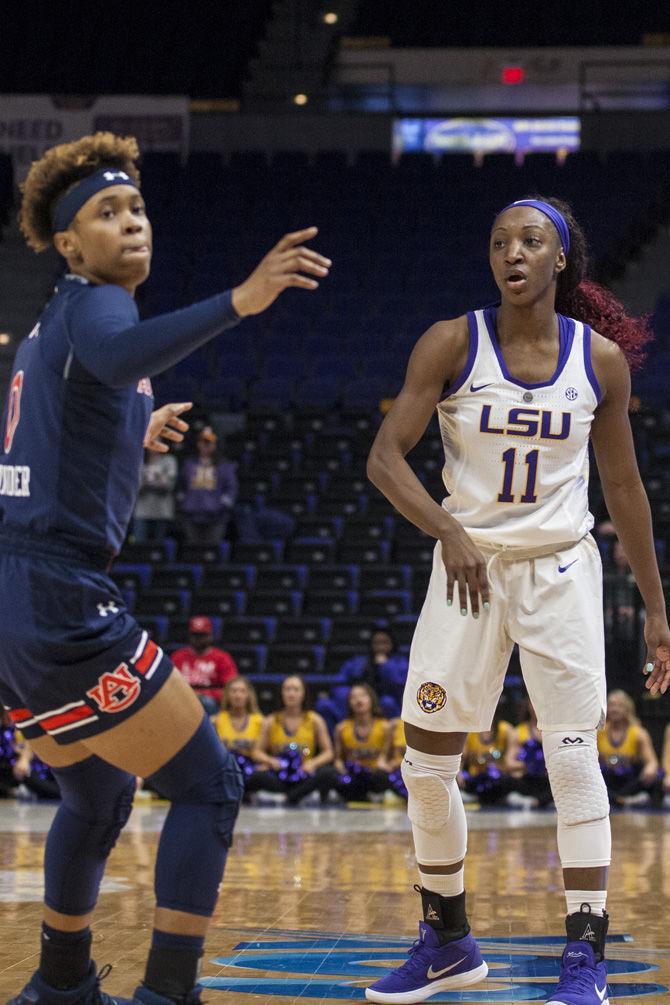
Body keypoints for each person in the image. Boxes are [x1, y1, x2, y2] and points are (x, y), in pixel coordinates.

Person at [0, 131, 331, 1005]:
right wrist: (243, 300)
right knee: (210, 783)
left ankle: (61, 984)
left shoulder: (49, 326)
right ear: (69, 243)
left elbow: (60, 423)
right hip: (60, 594)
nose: (131, 222)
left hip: (14, 595)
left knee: (98, 790)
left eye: (136, 206)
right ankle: (168, 994)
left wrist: (130, 433)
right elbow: (115, 355)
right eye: (105, 212)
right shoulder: (97, 306)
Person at [364, 195, 669, 1005]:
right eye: (500, 240)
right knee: (426, 762)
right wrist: (447, 528)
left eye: (531, 240)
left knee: (572, 761)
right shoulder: (453, 342)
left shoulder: (599, 361)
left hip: (561, 572)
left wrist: (657, 608)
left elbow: (625, 487)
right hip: (468, 569)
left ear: (561, 258)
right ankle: (449, 939)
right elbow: (386, 459)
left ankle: (586, 951)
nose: (514, 252)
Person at [249, 674, 337, 805]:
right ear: (281, 693)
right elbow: (256, 752)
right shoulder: (270, 721)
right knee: (256, 776)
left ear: (303, 694)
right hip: (280, 774)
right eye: (287, 689)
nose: (291, 694)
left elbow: (329, 752)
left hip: (304, 773)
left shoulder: (315, 720)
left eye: (296, 690)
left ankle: (288, 798)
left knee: (328, 773)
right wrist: (270, 760)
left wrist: (313, 763)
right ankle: (298, 796)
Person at [317, 629, 408, 733]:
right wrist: (353, 696)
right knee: (324, 705)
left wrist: (386, 666)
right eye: (377, 643)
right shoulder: (358, 662)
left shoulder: (401, 662)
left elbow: (401, 688)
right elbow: (339, 683)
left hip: (384, 701)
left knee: (387, 702)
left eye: (384, 643)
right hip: (359, 698)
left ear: (392, 644)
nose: (380, 647)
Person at [597, 689, 661, 806]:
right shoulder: (599, 732)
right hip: (607, 780)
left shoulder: (639, 733)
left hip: (629, 780)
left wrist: (650, 770)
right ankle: (623, 800)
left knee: (655, 779)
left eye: (619, 705)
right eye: (611, 705)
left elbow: (652, 762)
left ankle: (620, 799)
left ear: (627, 709)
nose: (614, 709)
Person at [212, 677, 275, 794]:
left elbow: (265, 752)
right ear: (227, 695)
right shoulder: (216, 720)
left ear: (248, 695)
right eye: (234, 691)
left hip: (252, 771)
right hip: (225, 770)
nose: (238, 695)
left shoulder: (260, 721)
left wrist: (267, 763)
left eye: (242, 691)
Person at [177, 427, 237, 545]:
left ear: (215, 444)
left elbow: (231, 488)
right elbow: (181, 485)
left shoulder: (224, 465)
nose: (206, 445)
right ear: (198, 443)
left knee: (211, 551)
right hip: (191, 514)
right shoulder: (188, 464)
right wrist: (183, 501)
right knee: (193, 550)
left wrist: (222, 505)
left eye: (209, 442)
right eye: (203, 441)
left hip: (216, 516)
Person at [333, 684, 391, 802]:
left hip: (375, 775)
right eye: (353, 697)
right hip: (354, 776)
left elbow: (391, 757)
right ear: (349, 703)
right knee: (329, 775)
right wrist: (340, 768)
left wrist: (386, 764)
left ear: (371, 699)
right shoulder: (341, 728)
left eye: (363, 696)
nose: (358, 700)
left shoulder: (385, 726)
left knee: (382, 776)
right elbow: (338, 759)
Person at [171, 616, 238, 714]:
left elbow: (230, 688)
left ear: (210, 635)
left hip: (209, 700)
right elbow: (169, 684)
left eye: (202, 635)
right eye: (195, 635)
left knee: (206, 703)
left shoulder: (222, 657)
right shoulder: (178, 656)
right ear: (190, 636)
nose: (199, 639)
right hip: (182, 697)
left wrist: (202, 694)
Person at [459, 705, 515, 806]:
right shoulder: (470, 730)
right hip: (476, 778)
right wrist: (459, 774)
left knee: (507, 780)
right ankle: (472, 796)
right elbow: (461, 758)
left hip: (499, 778)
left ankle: (505, 797)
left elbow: (510, 760)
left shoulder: (506, 730)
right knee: (465, 779)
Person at [505, 693, 553, 808]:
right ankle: (532, 800)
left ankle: (534, 802)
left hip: (547, 778)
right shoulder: (518, 732)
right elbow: (509, 763)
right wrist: (529, 765)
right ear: (528, 705)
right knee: (508, 780)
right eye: (533, 702)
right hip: (527, 777)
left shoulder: (553, 731)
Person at [133, 449, 178, 542]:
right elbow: (134, 487)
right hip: (142, 512)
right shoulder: (138, 460)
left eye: (158, 439)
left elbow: (168, 485)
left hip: (162, 512)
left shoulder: (169, 460)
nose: (155, 444)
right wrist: (159, 478)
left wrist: (146, 482)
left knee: (159, 549)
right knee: (139, 548)